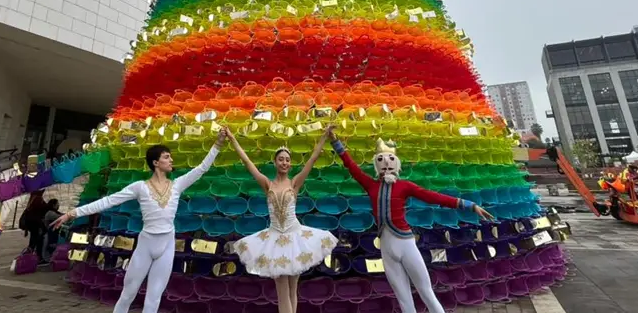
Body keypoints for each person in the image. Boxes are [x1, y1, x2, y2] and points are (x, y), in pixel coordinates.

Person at [52, 130, 227, 313]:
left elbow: (202, 168)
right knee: (128, 293)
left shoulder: (177, 185)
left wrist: (218, 143)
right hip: (145, 245)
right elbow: (108, 201)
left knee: (154, 297)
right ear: (156, 163)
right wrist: (72, 213)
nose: (171, 160)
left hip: (167, 245)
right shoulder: (140, 187)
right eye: (167, 157)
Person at [331, 135, 495, 313]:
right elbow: (352, 167)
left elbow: (433, 197)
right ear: (376, 165)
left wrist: (468, 205)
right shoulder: (371, 185)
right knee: (403, 298)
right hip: (386, 247)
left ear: (397, 164)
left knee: (426, 291)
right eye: (381, 159)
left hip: (406, 244)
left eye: (391, 159)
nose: (386, 163)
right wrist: (334, 141)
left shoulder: (405, 186)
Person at [227, 126, 339, 313]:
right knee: (282, 290)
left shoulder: (294, 183)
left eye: (287, 160)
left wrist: (324, 137)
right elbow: (247, 162)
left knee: (293, 289)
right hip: (274, 239)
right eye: (281, 159)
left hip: (295, 236)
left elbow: (312, 159)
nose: (284, 162)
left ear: (290, 164)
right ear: (275, 162)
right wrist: (232, 139)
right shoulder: (267, 184)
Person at [19, 190, 48, 257]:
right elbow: (44, 209)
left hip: (31, 224)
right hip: (36, 224)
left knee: (33, 239)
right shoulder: (38, 199)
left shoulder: (32, 199)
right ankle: (34, 255)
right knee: (36, 239)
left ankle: (30, 253)